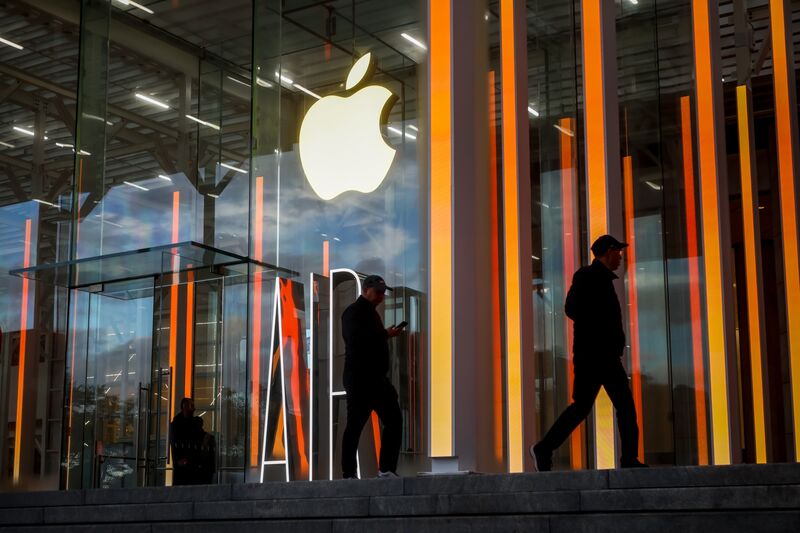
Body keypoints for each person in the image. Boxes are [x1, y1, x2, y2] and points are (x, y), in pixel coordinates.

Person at [530, 235, 647, 471]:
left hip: (602, 356)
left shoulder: (601, 279)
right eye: (618, 252)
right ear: (608, 252)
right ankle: (544, 449)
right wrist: (600, 330)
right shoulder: (587, 276)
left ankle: (628, 459)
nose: (621, 258)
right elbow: (572, 308)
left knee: (603, 407)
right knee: (601, 407)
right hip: (595, 357)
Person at [341, 274, 404, 479]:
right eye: (378, 292)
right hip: (360, 379)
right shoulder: (353, 312)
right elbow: (356, 340)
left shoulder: (371, 314)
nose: (381, 296)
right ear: (365, 290)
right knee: (355, 425)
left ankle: (385, 469)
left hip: (376, 379)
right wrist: (385, 334)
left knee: (393, 420)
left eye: (383, 293)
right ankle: (349, 473)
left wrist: (385, 335)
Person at [170, 397, 206, 485]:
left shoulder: (189, 423)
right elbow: (174, 442)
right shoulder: (177, 424)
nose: (194, 408)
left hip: (191, 463)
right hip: (184, 464)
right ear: (184, 406)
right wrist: (178, 460)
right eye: (191, 406)